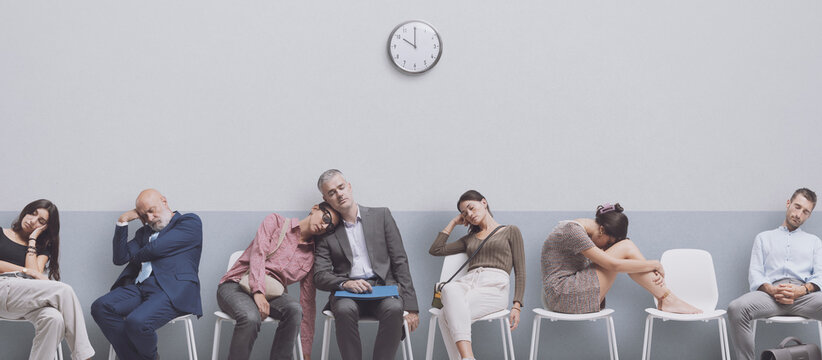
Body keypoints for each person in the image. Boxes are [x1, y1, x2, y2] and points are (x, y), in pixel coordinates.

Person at [313, 169, 419, 360]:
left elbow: (400, 261)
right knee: (344, 310)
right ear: (326, 199)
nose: (339, 194)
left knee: (394, 308)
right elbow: (319, 275)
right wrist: (345, 284)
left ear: (349, 186)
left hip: (383, 289)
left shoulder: (382, 216)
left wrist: (411, 307)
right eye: (332, 193)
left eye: (341, 187)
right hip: (348, 293)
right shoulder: (326, 232)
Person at [217, 202, 340, 360]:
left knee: (295, 309)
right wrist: (258, 292)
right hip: (236, 284)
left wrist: (305, 350)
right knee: (250, 317)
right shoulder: (275, 222)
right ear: (315, 208)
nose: (324, 226)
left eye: (330, 227)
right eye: (326, 218)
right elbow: (258, 255)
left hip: (271, 292)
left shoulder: (311, 256)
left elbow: (308, 302)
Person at [91, 189, 203, 360]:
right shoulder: (143, 233)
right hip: (140, 287)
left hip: (172, 290)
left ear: (164, 201)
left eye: (151, 210)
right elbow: (120, 258)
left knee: (137, 322)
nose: (149, 219)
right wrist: (123, 221)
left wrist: (136, 256)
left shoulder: (189, 222)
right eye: (144, 215)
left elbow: (157, 248)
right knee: (101, 307)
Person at [541, 203, 701, 315]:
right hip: (563, 295)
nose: (606, 248)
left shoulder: (576, 230)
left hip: (564, 295)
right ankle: (667, 298)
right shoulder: (573, 231)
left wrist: (647, 267)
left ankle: (666, 298)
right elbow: (613, 264)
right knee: (626, 247)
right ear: (602, 230)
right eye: (609, 243)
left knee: (627, 248)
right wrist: (654, 264)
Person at [428, 190, 525, 360]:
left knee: (445, 315)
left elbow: (520, 270)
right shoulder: (469, 239)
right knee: (449, 290)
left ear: (484, 202)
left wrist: (516, 305)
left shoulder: (510, 231)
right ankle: (468, 358)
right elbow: (436, 250)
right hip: (468, 284)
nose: (470, 214)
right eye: (464, 213)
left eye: (472, 208)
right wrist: (453, 222)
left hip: (495, 287)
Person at [728, 188, 822, 360]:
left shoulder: (814, 242)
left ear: (809, 215)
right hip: (770, 296)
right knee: (736, 308)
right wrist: (773, 290)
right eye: (797, 207)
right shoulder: (763, 238)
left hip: (803, 297)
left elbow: (820, 275)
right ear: (788, 204)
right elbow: (755, 273)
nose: (798, 214)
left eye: (805, 211)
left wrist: (801, 290)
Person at [0, 199, 95, 360]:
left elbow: (36, 277)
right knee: (63, 290)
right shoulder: (1, 233)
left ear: (45, 228)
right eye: (32, 213)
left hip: (24, 300)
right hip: (3, 288)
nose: (32, 220)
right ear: (26, 211)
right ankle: (84, 357)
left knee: (54, 318)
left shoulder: (41, 248)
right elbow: (32, 273)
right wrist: (24, 270)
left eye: (41, 221)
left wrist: (32, 240)